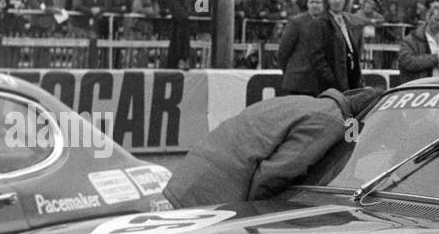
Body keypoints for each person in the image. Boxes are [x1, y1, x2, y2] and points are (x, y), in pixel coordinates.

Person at [163, 87, 381, 207]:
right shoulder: (332, 122)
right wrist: (261, 222)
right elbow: (271, 177)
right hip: (213, 192)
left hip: (196, 175)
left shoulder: (311, 103)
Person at [277, 0, 341, 95]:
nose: (314, 5)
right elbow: (283, 52)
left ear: (324, 4)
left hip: (322, 84)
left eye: (318, 2)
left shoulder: (330, 23)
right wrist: (291, 72)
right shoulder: (296, 22)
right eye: (312, 2)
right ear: (307, 3)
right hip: (298, 83)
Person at [398, 0, 439, 85]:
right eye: (436, 20)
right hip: (420, 89)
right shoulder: (411, 39)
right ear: (428, 17)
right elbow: (406, 62)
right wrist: (434, 59)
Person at [326, 0, 364, 89]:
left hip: (352, 76)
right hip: (333, 82)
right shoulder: (322, 22)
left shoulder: (350, 22)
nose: (337, 0)